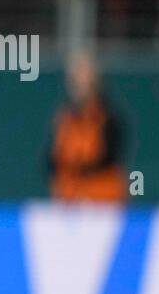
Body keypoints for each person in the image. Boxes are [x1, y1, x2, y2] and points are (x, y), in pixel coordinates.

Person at [48, 51, 127, 201]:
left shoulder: (108, 117)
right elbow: (53, 159)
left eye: (85, 79)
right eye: (75, 79)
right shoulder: (65, 118)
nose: (80, 85)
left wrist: (78, 167)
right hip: (68, 200)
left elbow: (108, 157)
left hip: (102, 200)